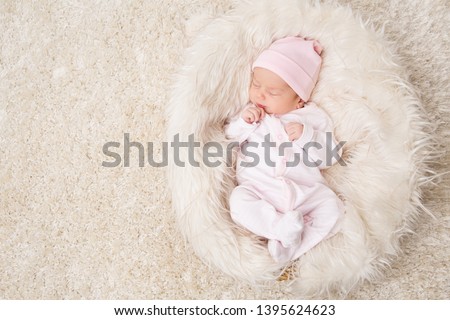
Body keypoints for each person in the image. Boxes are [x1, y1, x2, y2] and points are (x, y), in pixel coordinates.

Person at [225, 36, 344, 263]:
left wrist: (307, 136)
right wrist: (243, 123)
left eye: (273, 92)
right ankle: (278, 228)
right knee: (238, 202)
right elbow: (229, 138)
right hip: (260, 191)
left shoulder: (312, 117)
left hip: (306, 193)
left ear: (299, 99)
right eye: (256, 84)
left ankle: (290, 244)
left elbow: (330, 156)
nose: (260, 94)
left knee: (334, 209)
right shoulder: (252, 115)